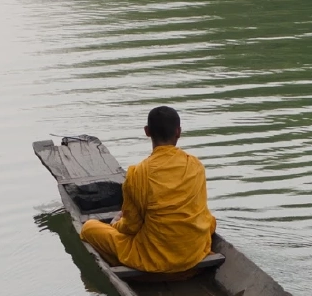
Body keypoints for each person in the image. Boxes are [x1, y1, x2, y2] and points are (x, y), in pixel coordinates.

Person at [79, 106, 216, 274]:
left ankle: (121, 262)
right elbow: (199, 212)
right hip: (193, 252)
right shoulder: (196, 165)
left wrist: (115, 224)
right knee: (210, 220)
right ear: (178, 132)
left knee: (89, 228)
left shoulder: (137, 173)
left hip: (154, 258)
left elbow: (131, 227)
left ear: (147, 131)